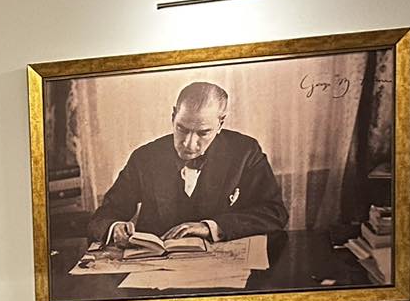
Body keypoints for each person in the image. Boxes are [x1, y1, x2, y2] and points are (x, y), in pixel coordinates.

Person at [86, 80, 287, 249]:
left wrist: (210, 227)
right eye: (182, 129)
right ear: (173, 116)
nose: (189, 144)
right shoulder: (145, 157)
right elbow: (103, 216)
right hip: (156, 268)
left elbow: (274, 213)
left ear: (220, 124)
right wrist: (114, 227)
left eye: (203, 133)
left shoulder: (245, 152)